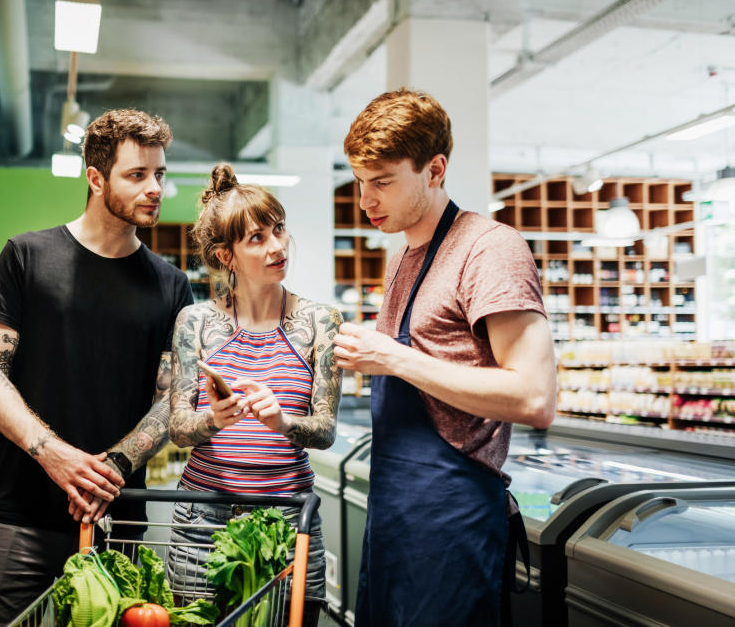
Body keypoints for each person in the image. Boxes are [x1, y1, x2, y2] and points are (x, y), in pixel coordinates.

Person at [333, 89, 556, 626]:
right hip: (397, 517)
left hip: (453, 523)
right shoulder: (404, 256)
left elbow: (535, 396)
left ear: (435, 169)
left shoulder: (490, 250)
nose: (366, 201)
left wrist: (394, 359)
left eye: (382, 182)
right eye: (361, 183)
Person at [0, 109, 194, 626]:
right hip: (20, 514)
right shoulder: (27, 256)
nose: (155, 188)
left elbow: (171, 398)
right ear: (95, 178)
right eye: (137, 175)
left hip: (119, 522)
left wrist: (115, 464)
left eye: (160, 173)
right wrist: (55, 455)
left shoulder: (171, 285)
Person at [165, 164, 342, 627]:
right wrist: (214, 420)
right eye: (257, 238)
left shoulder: (319, 322)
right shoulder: (195, 323)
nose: (277, 246)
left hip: (288, 518)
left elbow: (324, 431)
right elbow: (179, 430)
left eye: (278, 229)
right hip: (203, 522)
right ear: (227, 255)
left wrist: (283, 422)